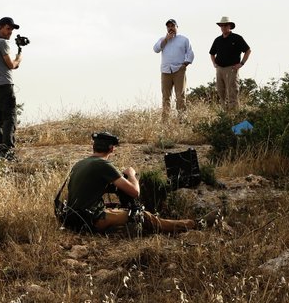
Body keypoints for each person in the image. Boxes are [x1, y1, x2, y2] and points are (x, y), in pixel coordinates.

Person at [59, 132, 197, 234]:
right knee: (141, 216)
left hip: (73, 219)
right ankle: (188, 225)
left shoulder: (80, 164)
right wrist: (131, 174)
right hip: (91, 219)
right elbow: (135, 192)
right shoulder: (103, 165)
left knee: (117, 208)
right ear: (112, 149)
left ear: (93, 147)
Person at [0, 16, 23, 159]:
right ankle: (9, 152)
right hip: (3, 85)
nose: (10, 32)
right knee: (10, 117)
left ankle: (0, 152)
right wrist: (19, 57)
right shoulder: (2, 43)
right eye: (8, 28)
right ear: (0, 27)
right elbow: (11, 65)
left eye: (11, 29)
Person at [153, 18, 194, 120]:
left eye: (172, 26)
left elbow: (190, 53)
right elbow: (156, 49)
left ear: (177, 27)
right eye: (168, 26)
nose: (170, 28)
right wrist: (166, 39)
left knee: (180, 96)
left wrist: (185, 65)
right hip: (165, 71)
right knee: (166, 97)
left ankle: (182, 119)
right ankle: (165, 120)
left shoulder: (184, 39)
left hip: (179, 70)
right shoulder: (163, 39)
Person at [208, 16, 251, 111]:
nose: (223, 27)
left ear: (230, 26)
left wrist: (241, 63)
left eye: (225, 25)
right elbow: (212, 53)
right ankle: (224, 117)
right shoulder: (218, 40)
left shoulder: (237, 38)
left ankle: (234, 117)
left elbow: (248, 50)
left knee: (232, 93)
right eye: (221, 25)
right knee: (221, 92)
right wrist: (214, 64)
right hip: (220, 69)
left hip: (231, 69)